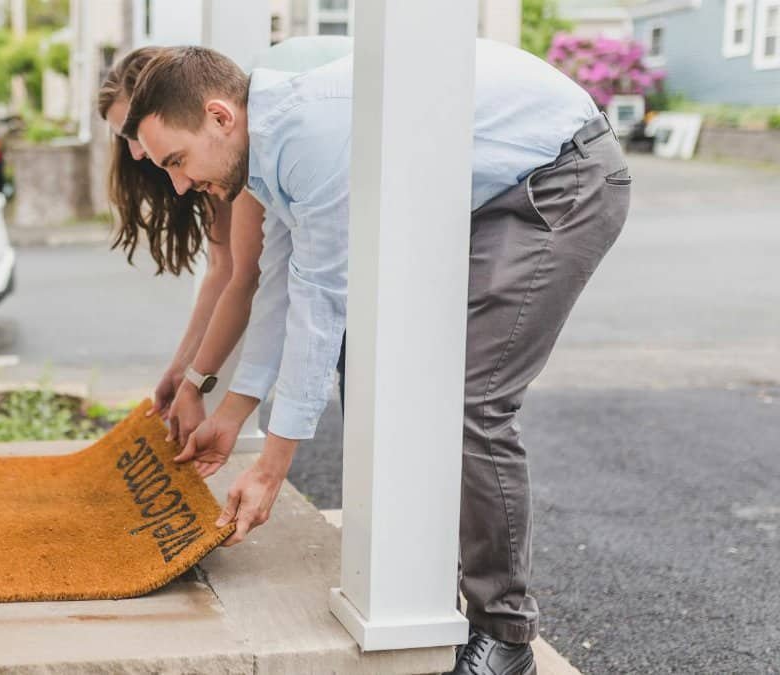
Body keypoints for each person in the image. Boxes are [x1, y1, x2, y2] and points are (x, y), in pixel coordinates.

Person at [122, 40, 631, 675]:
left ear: (221, 117)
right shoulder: (270, 143)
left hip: (562, 177)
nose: (178, 182)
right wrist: (233, 412)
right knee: (402, 376)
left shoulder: (312, 135)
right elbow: (280, 280)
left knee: (472, 401)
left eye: (176, 160)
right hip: (495, 192)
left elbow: (320, 301)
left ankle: (505, 634)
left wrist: (273, 467)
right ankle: (430, 582)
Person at [96, 38, 351, 458]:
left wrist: (270, 461)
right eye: (124, 136)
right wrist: (187, 372)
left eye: (134, 131)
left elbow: (254, 279)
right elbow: (240, 271)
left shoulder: (251, 142)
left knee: (349, 352)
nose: (135, 150)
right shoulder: (217, 153)